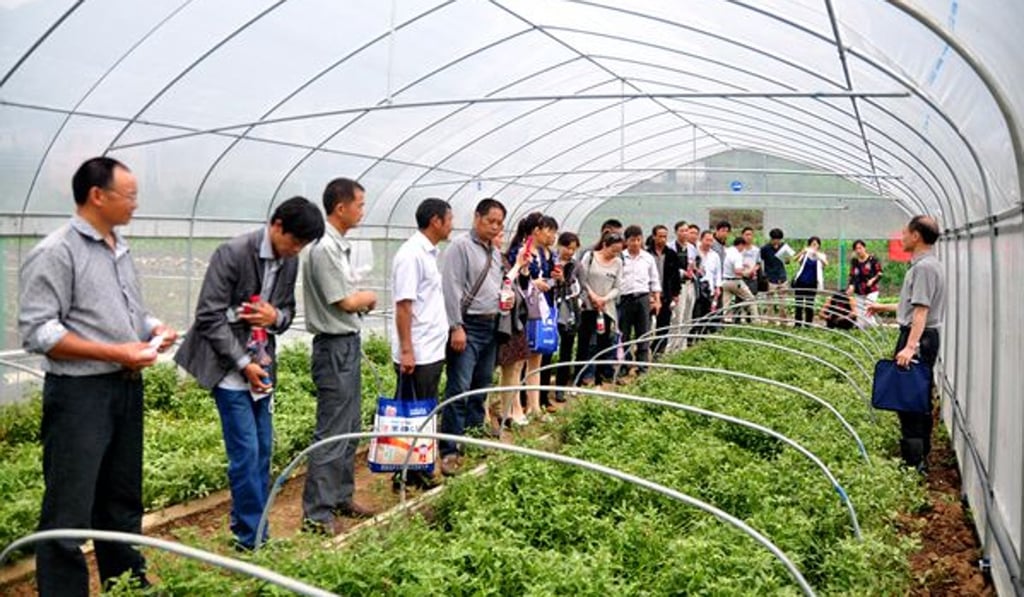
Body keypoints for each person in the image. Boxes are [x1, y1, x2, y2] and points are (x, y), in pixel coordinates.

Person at [19, 157, 178, 596]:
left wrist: (153, 329)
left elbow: (127, 313)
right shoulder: (57, 252)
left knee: (122, 500)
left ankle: (126, 585)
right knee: (69, 509)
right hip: (80, 395)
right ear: (97, 196)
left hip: (124, 388)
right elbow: (39, 331)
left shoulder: (119, 248)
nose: (135, 205)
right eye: (129, 196)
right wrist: (115, 351)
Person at [175, 195, 323, 550]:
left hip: (263, 367)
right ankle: (252, 538)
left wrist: (275, 318)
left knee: (262, 451)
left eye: (302, 245)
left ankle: (249, 526)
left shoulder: (289, 262)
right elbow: (208, 316)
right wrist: (244, 363)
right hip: (230, 370)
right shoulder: (233, 253)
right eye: (294, 241)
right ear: (276, 226)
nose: (296, 250)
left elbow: (285, 313)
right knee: (245, 453)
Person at [298, 178, 380, 534]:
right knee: (332, 428)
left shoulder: (337, 247)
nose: (363, 210)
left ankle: (340, 496)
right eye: (359, 204)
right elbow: (345, 301)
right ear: (341, 207)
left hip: (346, 345)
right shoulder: (325, 249)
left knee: (348, 426)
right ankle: (317, 512)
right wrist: (367, 297)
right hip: (333, 348)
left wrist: (359, 297)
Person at [868, 216, 945, 471]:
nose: (901, 237)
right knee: (917, 395)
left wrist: (910, 347)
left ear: (916, 236)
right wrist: (884, 307)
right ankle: (921, 455)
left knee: (909, 398)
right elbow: (914, 307)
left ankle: (914, 465)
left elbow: (921, 311)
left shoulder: (923, 268)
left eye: (904, 232)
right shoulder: (929, 265)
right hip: (922, 334)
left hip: (918, 337)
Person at [389, 198, 453, 491]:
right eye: (449, 219)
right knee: (414, 413)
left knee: (420, 411)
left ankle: (413, 471)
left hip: (429, 347)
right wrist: (407, 350)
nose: (452, 225)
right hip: (418, 350)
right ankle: (409, 473)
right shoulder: (411, 254)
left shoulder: (428, 253)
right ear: (436, 221)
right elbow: (404, 305)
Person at [439, 198, 506, 476]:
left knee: (481, 384)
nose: (495, 227)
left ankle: (474, 436)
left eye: (500, 223)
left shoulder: (495, 252)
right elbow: (451, 288)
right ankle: (450, 449)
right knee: (460, 387)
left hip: (491, 325)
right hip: (467, 326)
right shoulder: (460, 247)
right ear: (477, 218)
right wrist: (456, 326)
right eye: (490, 221)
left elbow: (497, 283)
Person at [499, 212, 556, 424]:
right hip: (521, 312)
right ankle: (514, 408)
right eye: (546, 229)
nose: (549, 234)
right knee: (517, 361)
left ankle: (534, 406)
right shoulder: (518, 252)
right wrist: (533, 282)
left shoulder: (541, 254)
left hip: (537, 310)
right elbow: (513, 283)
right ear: (536, 231)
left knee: (535, 360)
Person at [576, 231, 625, 386]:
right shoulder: (590, 257)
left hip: (606, 309)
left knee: (602, 344)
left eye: (618, 251)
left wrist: (604, 299)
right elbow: (582, 279)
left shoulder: (618, 263)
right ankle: (580, 377)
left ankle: (598, 379)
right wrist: (593, 297)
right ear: (604, 245)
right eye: (613, 250)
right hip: (588, 307)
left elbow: (618, 287)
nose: (615, 254)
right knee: (585, 344)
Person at [545, 231, 582, 404]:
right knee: (547, 350)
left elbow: (577, 289)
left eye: (573, 249)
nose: (569, 252)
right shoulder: (550, 261)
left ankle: (560, 389)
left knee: (566, 351)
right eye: (567, 247)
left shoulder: (576, 266)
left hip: (569, 312)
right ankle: (542, 392)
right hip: (549, 310)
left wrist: (564, 281)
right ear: (559, 245)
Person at [619, 225, 661, 373]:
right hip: (625, 299)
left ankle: (642, 366)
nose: (635, 243)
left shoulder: (648, 258)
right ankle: (624, 364)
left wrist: (657, 300)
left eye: (638, 240)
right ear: (626, 241)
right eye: (632, 240)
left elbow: (654, 280)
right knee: (624, 333)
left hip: (643, 298)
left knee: (643, 333)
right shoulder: (620, 257)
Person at [647, 225, 681, 356]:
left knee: (664, 324)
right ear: (654, 236)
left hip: (665, 294)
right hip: (649, 295)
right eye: (660, 236)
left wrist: (675, 293)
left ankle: (658, 350)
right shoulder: (647, 254)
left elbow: (675, 275)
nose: (663, 239)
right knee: (647, 324)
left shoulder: (671, 254)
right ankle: (644, 350)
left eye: (665, 236)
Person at [668, 220, 696, 352]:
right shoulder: (670, 248)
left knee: (687, 316)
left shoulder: (691, 248)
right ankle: (672, 347)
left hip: (690, 285)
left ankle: (682, 346)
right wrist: (682, 272)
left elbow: (693, 264)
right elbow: (670, 268)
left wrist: (694, 270)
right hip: (678, 286)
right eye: (682, 231)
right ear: (676, 232)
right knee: (677, 317)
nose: (685, 233)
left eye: (687, 231)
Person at [720, 236, 759, 324]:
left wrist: (743, 266)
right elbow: (737, 271)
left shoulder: (728, 250)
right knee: (751, 299)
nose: (743, 249)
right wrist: (748, 273)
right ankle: (756, 321)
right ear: (740, 245)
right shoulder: (737, 255)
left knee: (725, 305)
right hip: (736, 282)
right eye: (743, 247)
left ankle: (724, 323)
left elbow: (730, 264)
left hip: (725, 281)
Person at [760, 228, 795, 323]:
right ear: (771, 239)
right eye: (775, 239)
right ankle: (771, 321)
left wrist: (786, 257)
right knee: (770, 302)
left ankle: (783, 321)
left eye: (779, 239)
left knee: (783, 302)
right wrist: (764, 275)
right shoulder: (765, 249)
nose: (777, 241)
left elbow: (787, 262)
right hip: (770, 278)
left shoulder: (783, 247)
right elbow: (760, 261)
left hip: (782, 277)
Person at [792, 236, 828, 327]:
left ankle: (808, 324)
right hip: (801, 282)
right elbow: (795, 259)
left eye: (816, 244)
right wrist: (803, 252)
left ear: (819, 245)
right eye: (812, 244)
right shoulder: (805, 254)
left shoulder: (821, 255)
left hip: (812, 283)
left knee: (809, 304)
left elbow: (826, 264)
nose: (814, 246)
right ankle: (798, 324)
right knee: (798, 304)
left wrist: (817, 255)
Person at [692, 230, 722, 336]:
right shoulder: (695, 252)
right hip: (696, 288)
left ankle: (703, 336)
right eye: (707, 240)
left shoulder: (715, 256)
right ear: (701, 240)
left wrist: (718, 287)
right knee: (696, 314)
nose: (709, 243)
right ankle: (693, 336)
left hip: (709, 289)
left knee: (707, 313)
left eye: (711, 240)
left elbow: (718, 273)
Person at [847, 239, 883, 328]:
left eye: (860, 248)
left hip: (871, 290)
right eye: (856, 249)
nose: (859, 251)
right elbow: (852, 275)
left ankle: (874, 328)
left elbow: (880, 273)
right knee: (860, 314)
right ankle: (862, 330)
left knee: (868, 307)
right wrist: (851, 286)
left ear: (864, 248)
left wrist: (872, 280)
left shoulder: (872, 259)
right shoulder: (855, 261)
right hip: (859, 291)